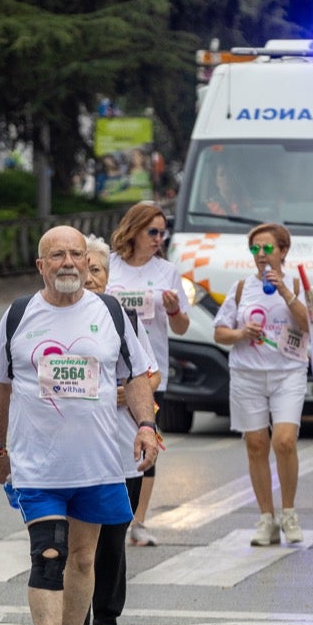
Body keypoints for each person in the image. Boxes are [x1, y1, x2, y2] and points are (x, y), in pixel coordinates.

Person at [0, 226, 160, 625]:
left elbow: (136, 374)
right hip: (37, 465)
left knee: (83, 559)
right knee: (48, 554)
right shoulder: (20, 315)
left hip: (99, 463)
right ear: (41, 265)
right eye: (56, 255)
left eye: (75, 255)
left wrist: (146, 426)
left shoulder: (109, 312)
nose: (67, 262)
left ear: (88, 262)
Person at [79, 234, 160, 625]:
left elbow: (148, 374)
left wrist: (122, 395)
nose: (90, 277)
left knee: (112, 534)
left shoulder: (119, 315)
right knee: (78, 538)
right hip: (75, 448)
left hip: (119, 446)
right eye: (85, 268)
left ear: (109, 278)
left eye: (98, 270)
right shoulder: (55, 316)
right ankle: (76, 623)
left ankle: (107, 618)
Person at [213, 222, 310, 547]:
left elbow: (308, 323)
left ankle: (289, 512)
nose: (261, 255)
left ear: (283, 251)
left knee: (284, 440)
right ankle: (266, 517)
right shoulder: (241, 288)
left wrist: (283, 289)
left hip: (288, 372)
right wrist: (241, 334)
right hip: (247, 374)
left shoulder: (295, 283)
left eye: (268, 248)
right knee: (256, 444)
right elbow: (220, 332)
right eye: (256, 249)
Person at [106, 201, 189, 545]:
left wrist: (172, 310)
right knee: (109, 441)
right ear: (134, 230)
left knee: (146, 440)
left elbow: (182, 326)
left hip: (151, 370)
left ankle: (138, 522)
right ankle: (110, 513)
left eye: (162, 232)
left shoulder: (167, 271)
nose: (158, 238)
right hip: (110, 369)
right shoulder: (110, 266)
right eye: (151, 231)